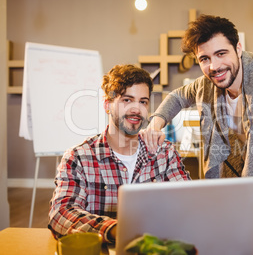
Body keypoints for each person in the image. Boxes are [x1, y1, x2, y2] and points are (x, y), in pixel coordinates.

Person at [141, 15, 253, 243]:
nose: (214, 66)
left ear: (238, 48)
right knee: (238, 238)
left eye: (221, 54)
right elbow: (178, 96)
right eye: (204, 58)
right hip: (244, 174)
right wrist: (156, 122)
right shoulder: (207, 83)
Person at [48, 64, 191, 243]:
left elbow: (188, 205)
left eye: (143, 101)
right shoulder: (78, 157)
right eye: (126, 100)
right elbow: (61, 213)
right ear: (107, 105)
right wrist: (117, 229)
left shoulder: (164, 153)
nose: (136, 109)